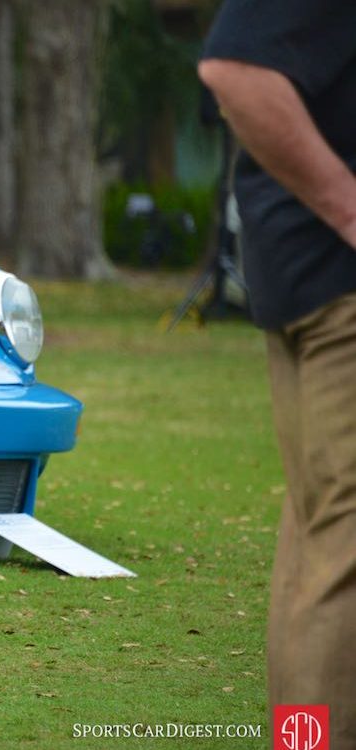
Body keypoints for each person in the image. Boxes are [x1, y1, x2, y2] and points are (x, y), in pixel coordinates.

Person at [199, 1, 356, 745]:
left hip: (316, 281)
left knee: (316, 537)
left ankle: (302, 737)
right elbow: (236, 73)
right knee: (341, 552)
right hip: (339, 285)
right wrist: (349, 209)